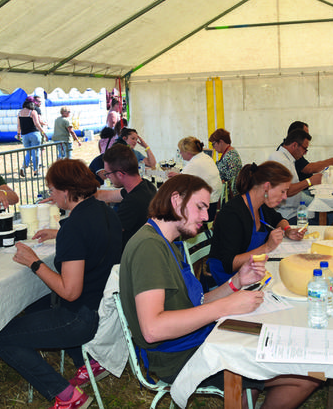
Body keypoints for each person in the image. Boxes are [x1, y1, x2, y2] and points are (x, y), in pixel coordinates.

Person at [119, 174, 322, 408]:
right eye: (200, 207)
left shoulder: (167, 242)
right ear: (176, 200)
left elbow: (195, 304)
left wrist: (236, 282)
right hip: (177, 356)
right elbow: (153, 329)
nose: (206, 217)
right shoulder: (149, 247)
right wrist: (225, 307)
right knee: (306, 376)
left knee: (272, 340)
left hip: (193, 339)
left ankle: (248, 393)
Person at [0, 159, 122, 408]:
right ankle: (86, 362)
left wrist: (34, 262)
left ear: (65, 191)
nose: (50, 196)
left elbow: (70, 293)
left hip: (82, 319)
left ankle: (66, 395)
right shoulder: (105, 211)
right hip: (106, 309)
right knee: (38, 301)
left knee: (0, 338)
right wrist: (60, 233)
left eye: (51, 190)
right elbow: (90, 241)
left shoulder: (74, 227)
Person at [208, 161, 307, 286]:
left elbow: (278, 219)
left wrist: (287, 230)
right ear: (266, 187)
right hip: (226, 280)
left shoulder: (261, 205)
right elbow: (229, 264)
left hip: (248, 270)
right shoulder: (233, 214)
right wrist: (267, 247)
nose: (285, 197)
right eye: (283, 191)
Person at [98, 144, 157, 247]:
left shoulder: (133, 202)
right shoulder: (145, 185)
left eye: (108, 174)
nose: (107, 177)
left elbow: (108, 232)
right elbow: (108, 195)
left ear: (120, 174)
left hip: (131, 255)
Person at [267, 128, 322, 223]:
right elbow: (286, 191)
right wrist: (310, 181)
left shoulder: (286, 158)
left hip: (293, 210)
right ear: (295, 145)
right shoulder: (280, 160)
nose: (305, 153)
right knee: (320, 218)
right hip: (285, 215)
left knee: (321, 212)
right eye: (305, 149)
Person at [169, 136, 222, 220]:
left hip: (207, 205)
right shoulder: (204, 157)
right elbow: (186, 176)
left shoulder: (195, 162)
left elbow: (180, 181)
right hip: (214, 201)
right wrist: (178, 175)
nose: (180, 154)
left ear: (188, 153)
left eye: (181, 151)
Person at [209, 128, 242, 201]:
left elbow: (229, 180)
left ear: (221, 142)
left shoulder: (230, 156)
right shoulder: (229, 153)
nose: (213, 147)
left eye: (213, 144)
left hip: (228, 198)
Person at [17, 97, 47, 177]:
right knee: (36, 153)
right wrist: (43, 133)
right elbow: (37, 124)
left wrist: (18, 134)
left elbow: (19, 125)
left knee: (28, 152)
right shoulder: (33, 112)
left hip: (24, 135)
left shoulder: (20, 112)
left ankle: (23, 167)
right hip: (34, 134)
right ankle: (36, 171)